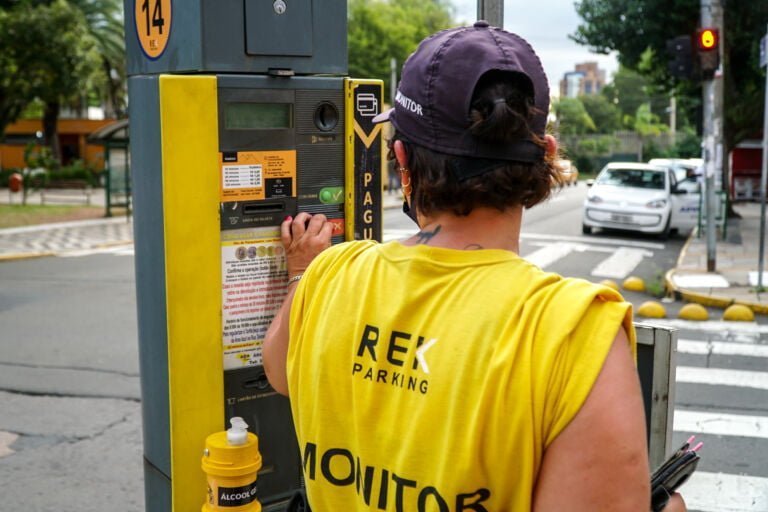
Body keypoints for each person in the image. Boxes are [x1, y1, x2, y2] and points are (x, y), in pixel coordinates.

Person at [264, 22, 686, 512]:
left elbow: (279, 372)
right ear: (544, 159)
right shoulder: (573, 331)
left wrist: (302, 271)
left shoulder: (330, 274)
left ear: (402, 159)